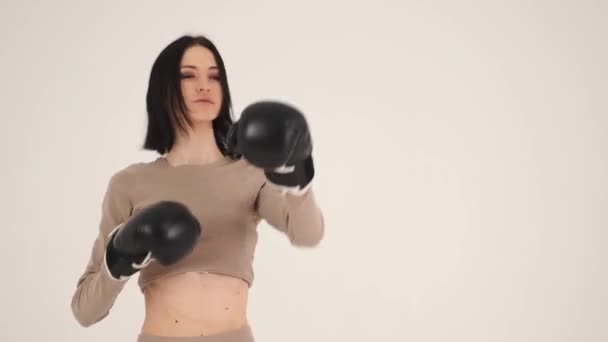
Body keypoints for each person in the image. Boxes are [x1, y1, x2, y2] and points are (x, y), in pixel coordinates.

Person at [70, 34, 324, 342]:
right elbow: (85, 311)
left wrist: (295, 174)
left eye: (214, 77)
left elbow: (308, 234)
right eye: (188, 76)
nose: (204, 85)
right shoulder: (129, 183)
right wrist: (120, 257)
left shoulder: (250, 171)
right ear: (164, 90)